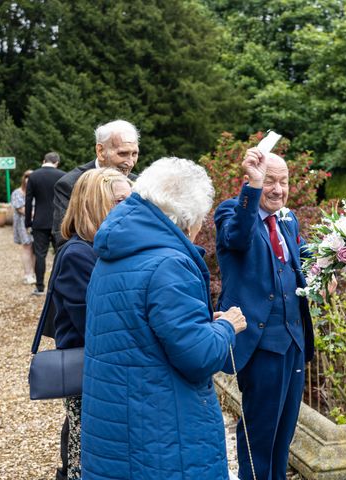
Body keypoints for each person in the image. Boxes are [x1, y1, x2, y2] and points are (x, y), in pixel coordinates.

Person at [81, 157, 246, 480]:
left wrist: (201, 325)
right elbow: (199, 357)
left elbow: (139, 329)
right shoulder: (169, 264)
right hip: (163, 435)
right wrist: (227, 326)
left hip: (117, 422)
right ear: (187, 219)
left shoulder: (115, 252)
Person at [214, 148, 314, 480]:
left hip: (294, 340)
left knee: (284, 435)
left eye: (283, 182)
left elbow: (301, 258)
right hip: (261, 343)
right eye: (270, 181)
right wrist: (253, 187)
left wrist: (338, 254)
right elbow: (238, 238)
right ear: (253, 180)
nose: (278, 189)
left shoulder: (288, 218)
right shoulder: (233, 211)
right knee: (259, 434)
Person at [44, 168, 132, 480]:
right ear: (95, 204)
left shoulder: (108, 249)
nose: (129, 207)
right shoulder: (78, 254)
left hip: (111, 371)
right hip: (91, 375)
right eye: (120, 201)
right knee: (87, 459)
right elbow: (91, 323)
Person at [52, 119, 139, 248]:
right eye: (123, 154)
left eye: (134, 154)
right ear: (100, 151)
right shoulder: (70, 184)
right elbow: (63, 240)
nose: (130, 162)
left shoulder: (138, 184)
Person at [25, 152, 65, 295]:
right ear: (57, 162)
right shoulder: (62, 175)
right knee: (60, 253)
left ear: (43, 161)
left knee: (40, 255)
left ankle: (40, 287)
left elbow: (28, 201)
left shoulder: (33, 176)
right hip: (59, 221)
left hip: (39, 221)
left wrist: (28, 222)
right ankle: (58, 287)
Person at [11, 169, 35, 284]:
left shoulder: (36, 192)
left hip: (36, 223)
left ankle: (34, 273)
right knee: (27, 246)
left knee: (35, 248)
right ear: (23, 178)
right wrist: (38, 213)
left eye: (31, 176)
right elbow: (21, 209)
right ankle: (27, 274)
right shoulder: (17, 193)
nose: (28, 179)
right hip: (22, 223)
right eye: (27, 176)